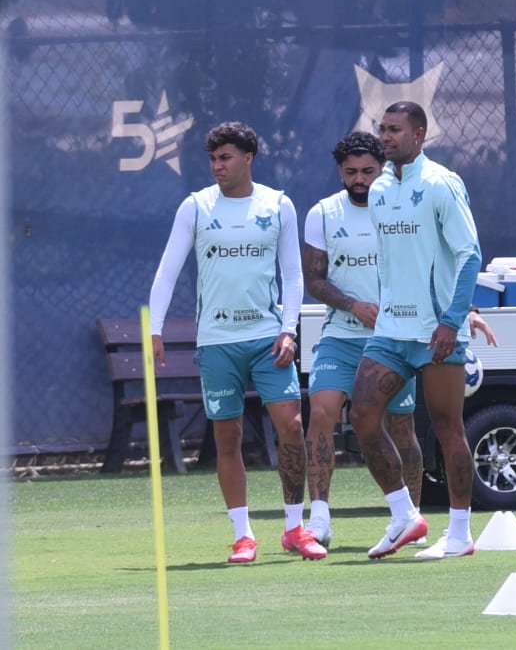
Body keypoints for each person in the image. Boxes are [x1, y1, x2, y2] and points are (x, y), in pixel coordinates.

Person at [302, 131, 496, 548]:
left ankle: (455, 531)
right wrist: (355, 305)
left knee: (435, 427)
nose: (360, 179)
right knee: (346, 414)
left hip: (426, 331)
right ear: (339, 171)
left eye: (367, 170)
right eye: (351, 171)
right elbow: (314, 278)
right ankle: (375, 516)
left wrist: (462, 313)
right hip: (365, 333)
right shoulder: (334, 210)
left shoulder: (430, 188)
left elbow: (455, 255)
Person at [149, 121, 326, 563]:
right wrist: (155, 328)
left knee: (292, 427)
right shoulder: (195, 207)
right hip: (217, 342)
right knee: (227, 436)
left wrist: (289, 329)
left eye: (225, 158)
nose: (217, 166)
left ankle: (293, 528)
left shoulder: (278, 205)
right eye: (212, 159)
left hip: (269, 339)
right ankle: (243, 535)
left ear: (248, 158)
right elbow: (168, 269)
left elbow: (293, 273)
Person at [350, 101, 483, 560]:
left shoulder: (442, 184)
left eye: (394, 130)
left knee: (448, 428)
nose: (385, 137)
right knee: (362, 416)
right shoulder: (381, 188)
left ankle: (461, 533)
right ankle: (405, 515)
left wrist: (452, 320)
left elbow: (469, 256)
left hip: (436, 331)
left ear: (420, 134)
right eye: (381, 129)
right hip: (392, 329)